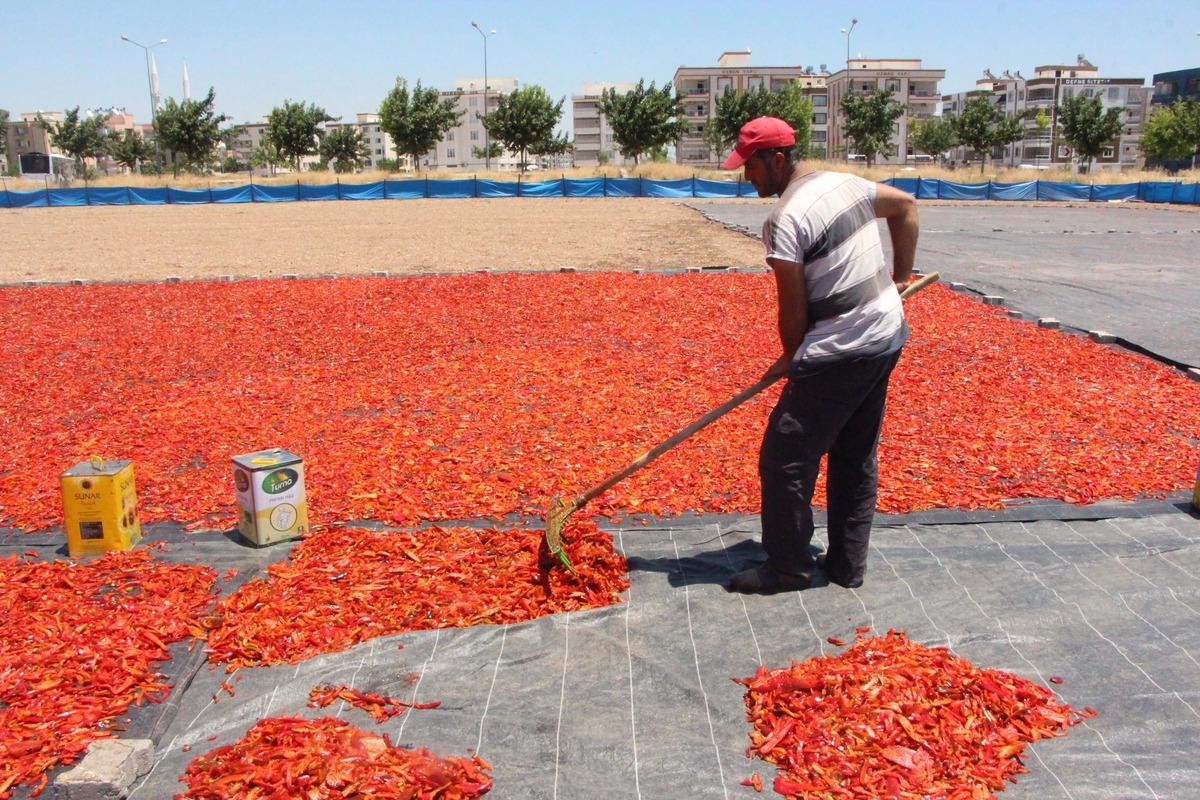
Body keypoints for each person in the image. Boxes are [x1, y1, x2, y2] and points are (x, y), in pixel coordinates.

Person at [722, 117, 919, 594]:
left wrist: (792, 357)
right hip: (886, 334)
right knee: (854, 453)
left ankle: (789, 567)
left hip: (843, 346)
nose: (746, 177)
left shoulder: (785, 220)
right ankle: (848, 565)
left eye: (750, 167)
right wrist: (902, 279)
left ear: (777, 159)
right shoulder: (843, 183)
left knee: (785, 458)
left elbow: (792, 306)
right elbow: (907, 207)